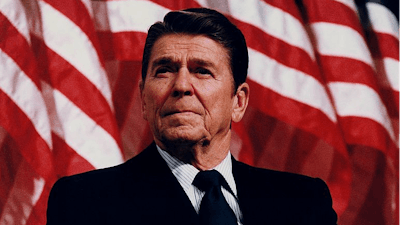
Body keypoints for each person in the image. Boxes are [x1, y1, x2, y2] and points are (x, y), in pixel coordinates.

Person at [46, 8, 337, 225]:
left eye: (202, 70)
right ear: (144, 99)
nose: (182, 85)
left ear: (238, 101)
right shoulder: (83, 203)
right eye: (164, 70)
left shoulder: (305, 203)